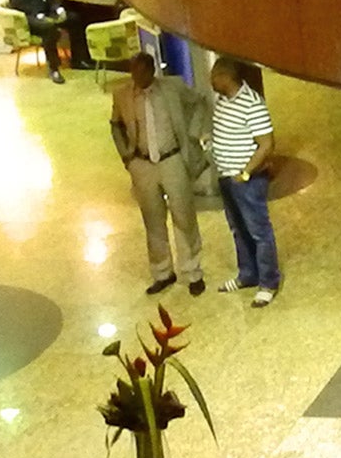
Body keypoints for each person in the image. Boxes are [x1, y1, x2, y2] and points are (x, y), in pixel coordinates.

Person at [111, 50, 211, 296]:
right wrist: (127, 156)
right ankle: (162, 272)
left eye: (142, 71)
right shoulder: (122, 95)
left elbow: (199, 102)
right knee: (153, 220)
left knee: (184, 216)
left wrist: (193, 134)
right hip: (143, 164)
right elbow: (115, 125)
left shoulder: (173, 88)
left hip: (172, 158)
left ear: (152, 70)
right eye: (133, 71)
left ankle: (192, 271)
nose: (137, 76)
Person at [207, 56, 281, 308]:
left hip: (246, 180)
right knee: (238, 229)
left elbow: (267, 144)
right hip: (226, 176)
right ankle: (247, 274)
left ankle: (268, 283)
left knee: (259, 231)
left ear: (226, 77)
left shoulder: (252, 104)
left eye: (214, 76)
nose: (210, 81)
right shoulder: (222, 101)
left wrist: (246, 172)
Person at [4, 0, 70, 82]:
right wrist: (39, 15)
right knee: (49, 28)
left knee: (75, 19)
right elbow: (18, 3)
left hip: (47, 15)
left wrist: (59, 10)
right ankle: (54, 68)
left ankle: (80, 59)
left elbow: (52, 0)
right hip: (28, 18)